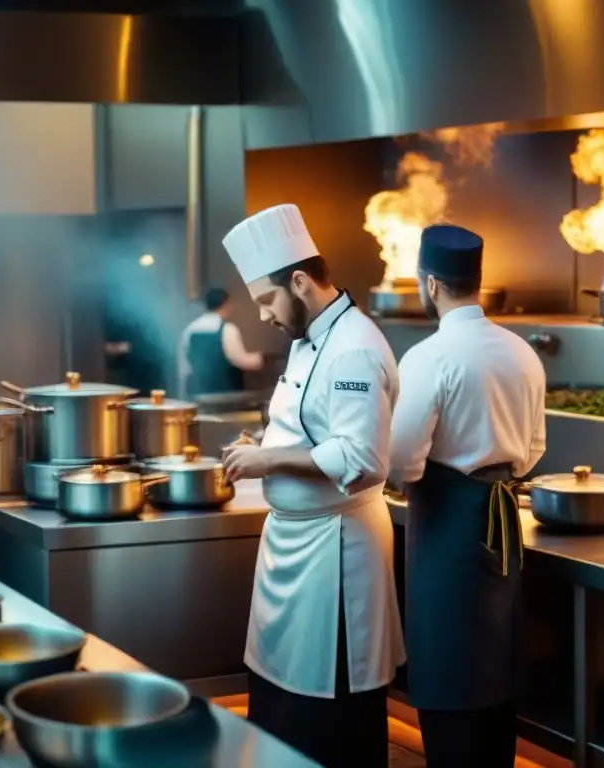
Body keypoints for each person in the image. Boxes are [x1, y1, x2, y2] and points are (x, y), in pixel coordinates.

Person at [220, 203, 405, 768]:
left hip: (335, 551)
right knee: (281, 701)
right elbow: (311, 426)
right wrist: (265, 444)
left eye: (267, 301)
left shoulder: (352, 345)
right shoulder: (307, 339)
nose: (264, 317)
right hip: (295, 546)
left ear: (299, 281)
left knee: (330, 707)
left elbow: (361, 457)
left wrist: (268, 461)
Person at [388, 224, 547, 768]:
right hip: (501, 515)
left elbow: (400, 459)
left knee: (446, 656)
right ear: (476, 282)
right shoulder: (523, 353)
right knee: (494, 657)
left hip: (446, 522)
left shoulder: (428, 357)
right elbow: (532, 449)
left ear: (429, 284)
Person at [177, 286, 264, 398]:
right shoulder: (227, 329)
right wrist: (260, 359)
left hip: (197, 396)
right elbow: (241, 360)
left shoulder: (189, 329)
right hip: (224, 396)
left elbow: (184, 369)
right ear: (226, 304)